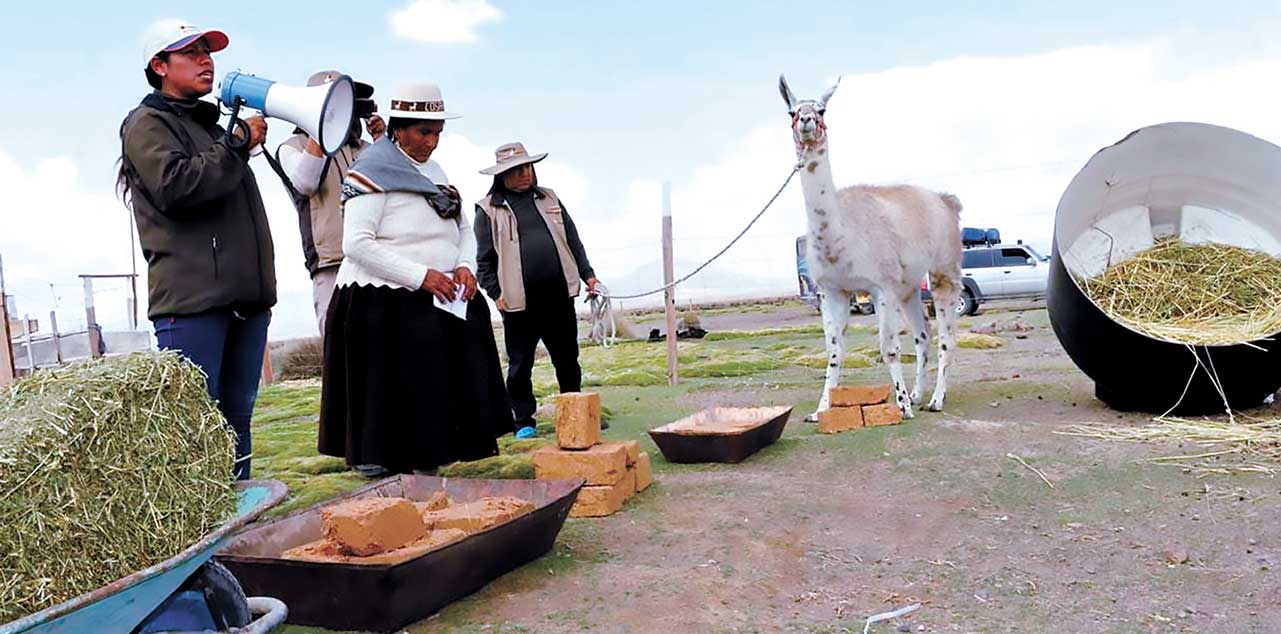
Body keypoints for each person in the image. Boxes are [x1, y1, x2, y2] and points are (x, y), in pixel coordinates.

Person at [318, 83, 514, 476]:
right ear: (399, 129)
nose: (433, 141)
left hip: (441, 298)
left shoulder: (435, 171)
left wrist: (464, 267)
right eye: (424, 132)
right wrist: (419, 276)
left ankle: (430, 469)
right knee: (397, 399)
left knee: (437, 395)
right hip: (385, 303)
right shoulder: (370, 171)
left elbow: (461, 228)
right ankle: (392, 480)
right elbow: (356, 244)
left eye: (438, 132)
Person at [117, 19, 275, 480]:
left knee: (236, 423)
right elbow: (177, 187)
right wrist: (237, 144)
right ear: (159, 64)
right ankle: (201, 547)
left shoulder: (209, 128)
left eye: (209, 51)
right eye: (191, 52)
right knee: (197, 432)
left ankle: (233, 532)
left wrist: (232, 144)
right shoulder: (146, 124)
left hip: (245, 301)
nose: (207, 60)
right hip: (192, 306)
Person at [473, 143, 603, 438]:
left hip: (559, 295)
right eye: (516, 170)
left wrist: (589, 276)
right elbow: (484, 260)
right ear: (502, 175)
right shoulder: (488, 209)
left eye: (527, 167)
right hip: (518, 302)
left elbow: (572, 239)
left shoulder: (549, 198)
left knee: (568, 359)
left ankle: (575, 415)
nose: (524, 174)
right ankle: (524, 422)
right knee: (520, 365)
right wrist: (496, 294)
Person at [271, 70, 385, 339]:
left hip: (378, 258)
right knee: (339, 347)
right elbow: (306, 182)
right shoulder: (292, 146)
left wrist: (382, 141)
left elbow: (394, 185)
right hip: (331, 263)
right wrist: (318, 127)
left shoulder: (365, 148)